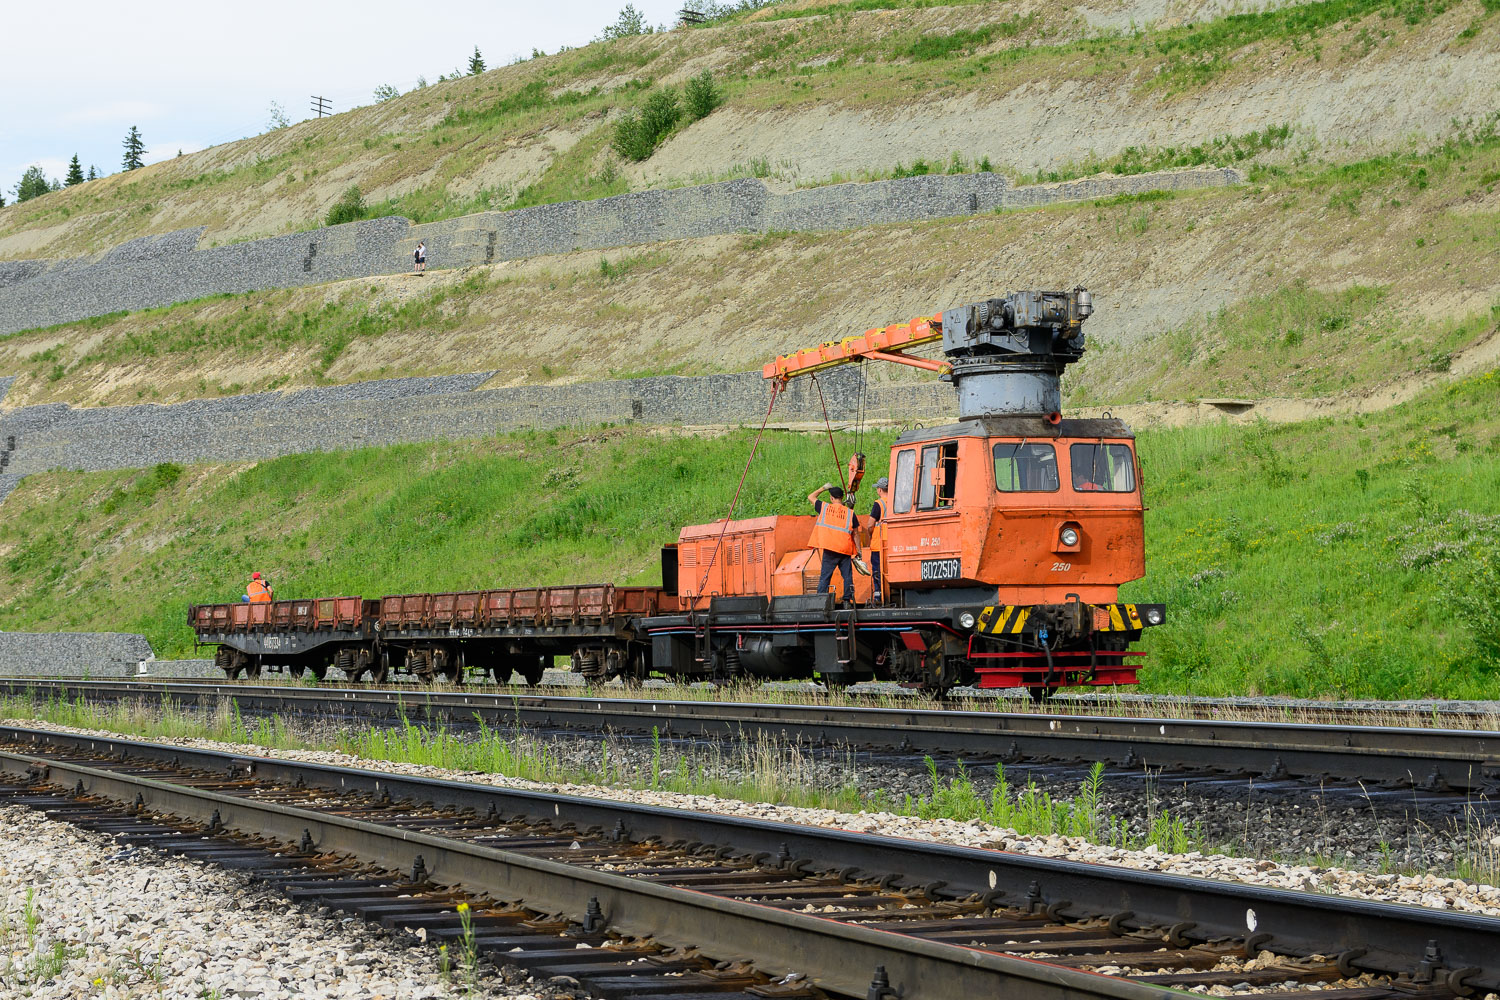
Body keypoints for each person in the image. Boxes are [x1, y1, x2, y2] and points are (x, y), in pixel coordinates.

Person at [807, 482, 859, 604]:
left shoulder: (824, 508)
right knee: (847, 577)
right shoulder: (850, 513)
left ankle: (821, 601)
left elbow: (811, 497)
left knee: (825, 577)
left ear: (831, 498)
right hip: (845, 549)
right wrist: (859, 551)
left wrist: (823, 488)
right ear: (842, 498)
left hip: (830, 549)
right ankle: (847, 600)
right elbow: (855, 534)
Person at [869, 477, 889, 603]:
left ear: (880, 490)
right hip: (893, 543)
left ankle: (878, 596)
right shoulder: (896, 502)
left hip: (879, 543)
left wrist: (871, 535)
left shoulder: (879, 504)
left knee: (877, 571)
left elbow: (870, 524)